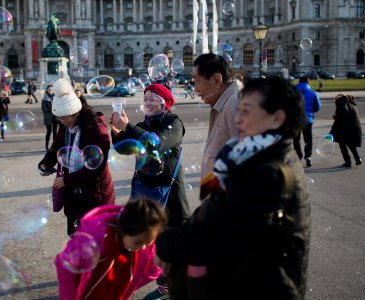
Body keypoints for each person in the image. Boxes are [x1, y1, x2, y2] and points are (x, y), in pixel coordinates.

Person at [154, 77, 311, 299]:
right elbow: (213, 215)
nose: (237, 118)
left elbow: (221, 237)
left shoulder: (268, 173)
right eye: (238, 110)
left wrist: (164, 243)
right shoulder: (249, 157)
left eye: (246, 111)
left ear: (277, 118)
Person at [111, 83, 190, 300]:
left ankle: (174, 288)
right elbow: (123, 148)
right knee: (148, 242)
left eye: (153, 98)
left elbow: (154, 143)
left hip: (170, 195)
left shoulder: (174, 123)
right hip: (146, 193)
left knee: (171, 244)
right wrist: (117, 132)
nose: (147, 102)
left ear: (164, 103)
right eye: (145, 98)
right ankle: (161, 285)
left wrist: (129, 128)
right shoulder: (141, 124)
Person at [38, 78, 115, 235]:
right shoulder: (65, 127)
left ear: (77, 112)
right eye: (60, 118)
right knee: (77, 237)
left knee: (95, 239)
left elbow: (96, 167)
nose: (64, 121)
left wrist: (67, 180)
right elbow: (56, 147)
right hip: (74, 194)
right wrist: (45, 163)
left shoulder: (97, 131)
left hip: (95, 194)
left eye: (67, 117)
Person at [55, 198, 168, 300]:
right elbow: (64, 267)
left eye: (148, 243)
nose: (143, 247)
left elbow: (150, 269)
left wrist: (129, 285)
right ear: (124, 230)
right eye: (138, 242)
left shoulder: (144, 237)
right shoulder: (97, 235)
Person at [193, 53, 242, 178]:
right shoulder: (224, 103)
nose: (195, 88)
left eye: (197, 81)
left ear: (216, 79)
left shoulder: (236, 104)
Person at [293, 76, 321, 167]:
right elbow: (317, 107)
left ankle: (299, 155)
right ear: (308, 82)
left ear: (299, 82)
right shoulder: (313, 93)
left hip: (296, 119)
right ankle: (308, 156)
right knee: (308, 139)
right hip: (308, 119)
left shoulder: (293, 92)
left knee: (296, 140)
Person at [330, 94, 362, 167]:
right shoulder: (352, 105)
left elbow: (341, 118)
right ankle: (357, 158)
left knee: (342, 143)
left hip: (347, 128)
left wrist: (332, 132)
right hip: (355, 127)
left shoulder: (341, 105)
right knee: (350, 143)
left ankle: (348, 161)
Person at [41, 84, 58, 151]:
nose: (50, 90)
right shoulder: (44, 98)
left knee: (55, 132)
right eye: (49, 89)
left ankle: (54, 146)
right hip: (48, 117)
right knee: (49, 131)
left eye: (51, 89)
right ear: (47, 90)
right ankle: (46, 146)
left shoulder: (55, 97)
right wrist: (50, 108)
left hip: (55, 116)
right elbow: (43, 108)